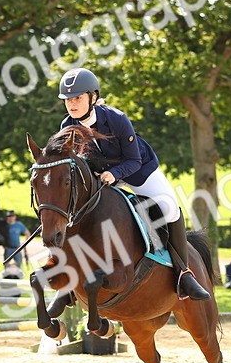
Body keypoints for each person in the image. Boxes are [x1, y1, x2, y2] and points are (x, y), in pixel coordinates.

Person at [58, 67, 209, 300]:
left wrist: (114, 175)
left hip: (138, 171)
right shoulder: (67, 127)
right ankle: (70, 283)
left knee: (169, 207)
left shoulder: (117, 119)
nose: (72, 104)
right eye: (68, 99)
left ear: (93, 97)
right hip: (103, 179)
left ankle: (184, 274)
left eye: (77, 98)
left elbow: (133, 160)